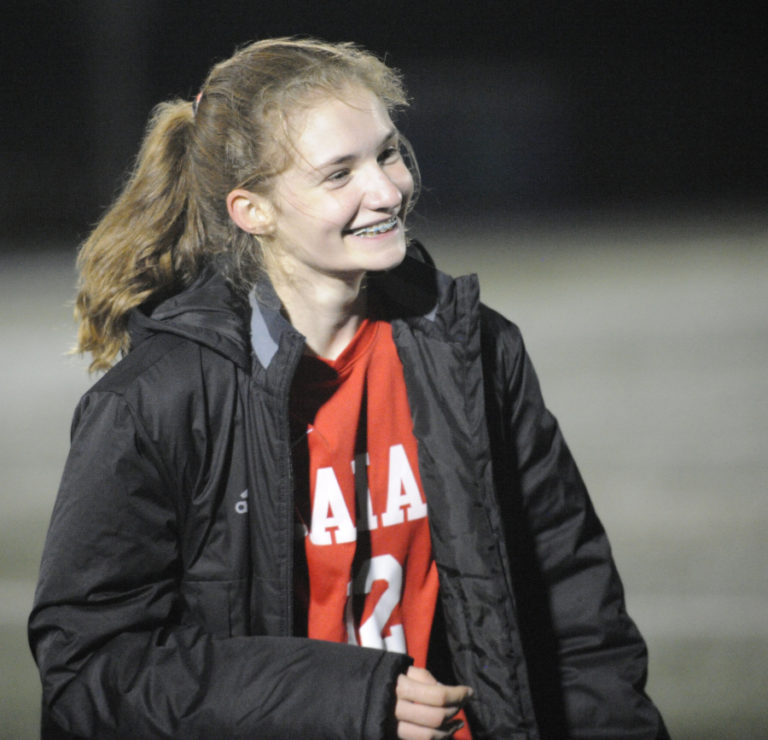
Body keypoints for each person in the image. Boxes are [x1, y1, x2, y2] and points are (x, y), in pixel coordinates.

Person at [29, 37, 669, 739]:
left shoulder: (475, 349)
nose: (388, 190)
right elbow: (91, 669)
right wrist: (344, 699)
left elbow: (575, 612)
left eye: (388, 153)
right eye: (340, 174)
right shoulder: (157, 400)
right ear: (253, 211)